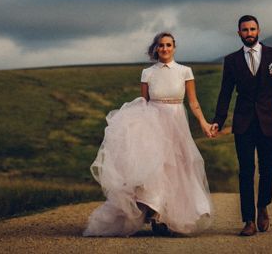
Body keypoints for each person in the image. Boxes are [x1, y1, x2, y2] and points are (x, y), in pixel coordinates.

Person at [83, 32, 214, 237]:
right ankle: (155, 214)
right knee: (156, 170)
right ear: (156, 48)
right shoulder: (148, 73)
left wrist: (204, 123)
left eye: (168, 45)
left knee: (178, 168)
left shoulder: (184, 71)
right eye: (161, 45)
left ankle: (168, 217)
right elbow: (143, 102)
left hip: (177, 122)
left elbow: (194, 102)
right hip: (153, 123)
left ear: (174, 47)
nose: (164, 49)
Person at [209, 15, 272, 236]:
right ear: (239, 33)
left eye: (252, 29)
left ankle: (262, 207)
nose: (249, 33)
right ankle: (248, 220)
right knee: (246, 171)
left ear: (259, 30)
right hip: (244, 122)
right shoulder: (232, 61)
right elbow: (225, 93)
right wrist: (218, 121)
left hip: (269, 122)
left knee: (267, 170)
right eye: (245, 30)